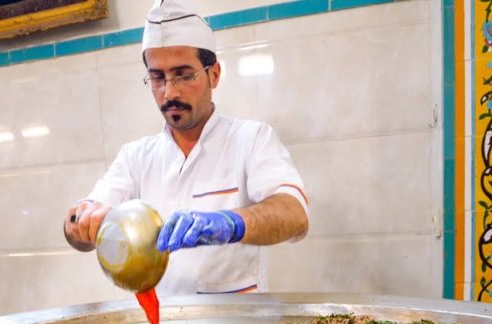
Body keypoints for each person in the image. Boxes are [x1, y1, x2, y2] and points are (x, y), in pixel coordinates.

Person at [63, 0, 309, 296]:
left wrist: (230, 224)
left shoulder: (251, 139)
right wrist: (79, 221)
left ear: (214, 74)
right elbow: (80, 234)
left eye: (183, 74)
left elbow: (294, 214)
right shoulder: (136, 157)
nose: (170, 92)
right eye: (157, 77)